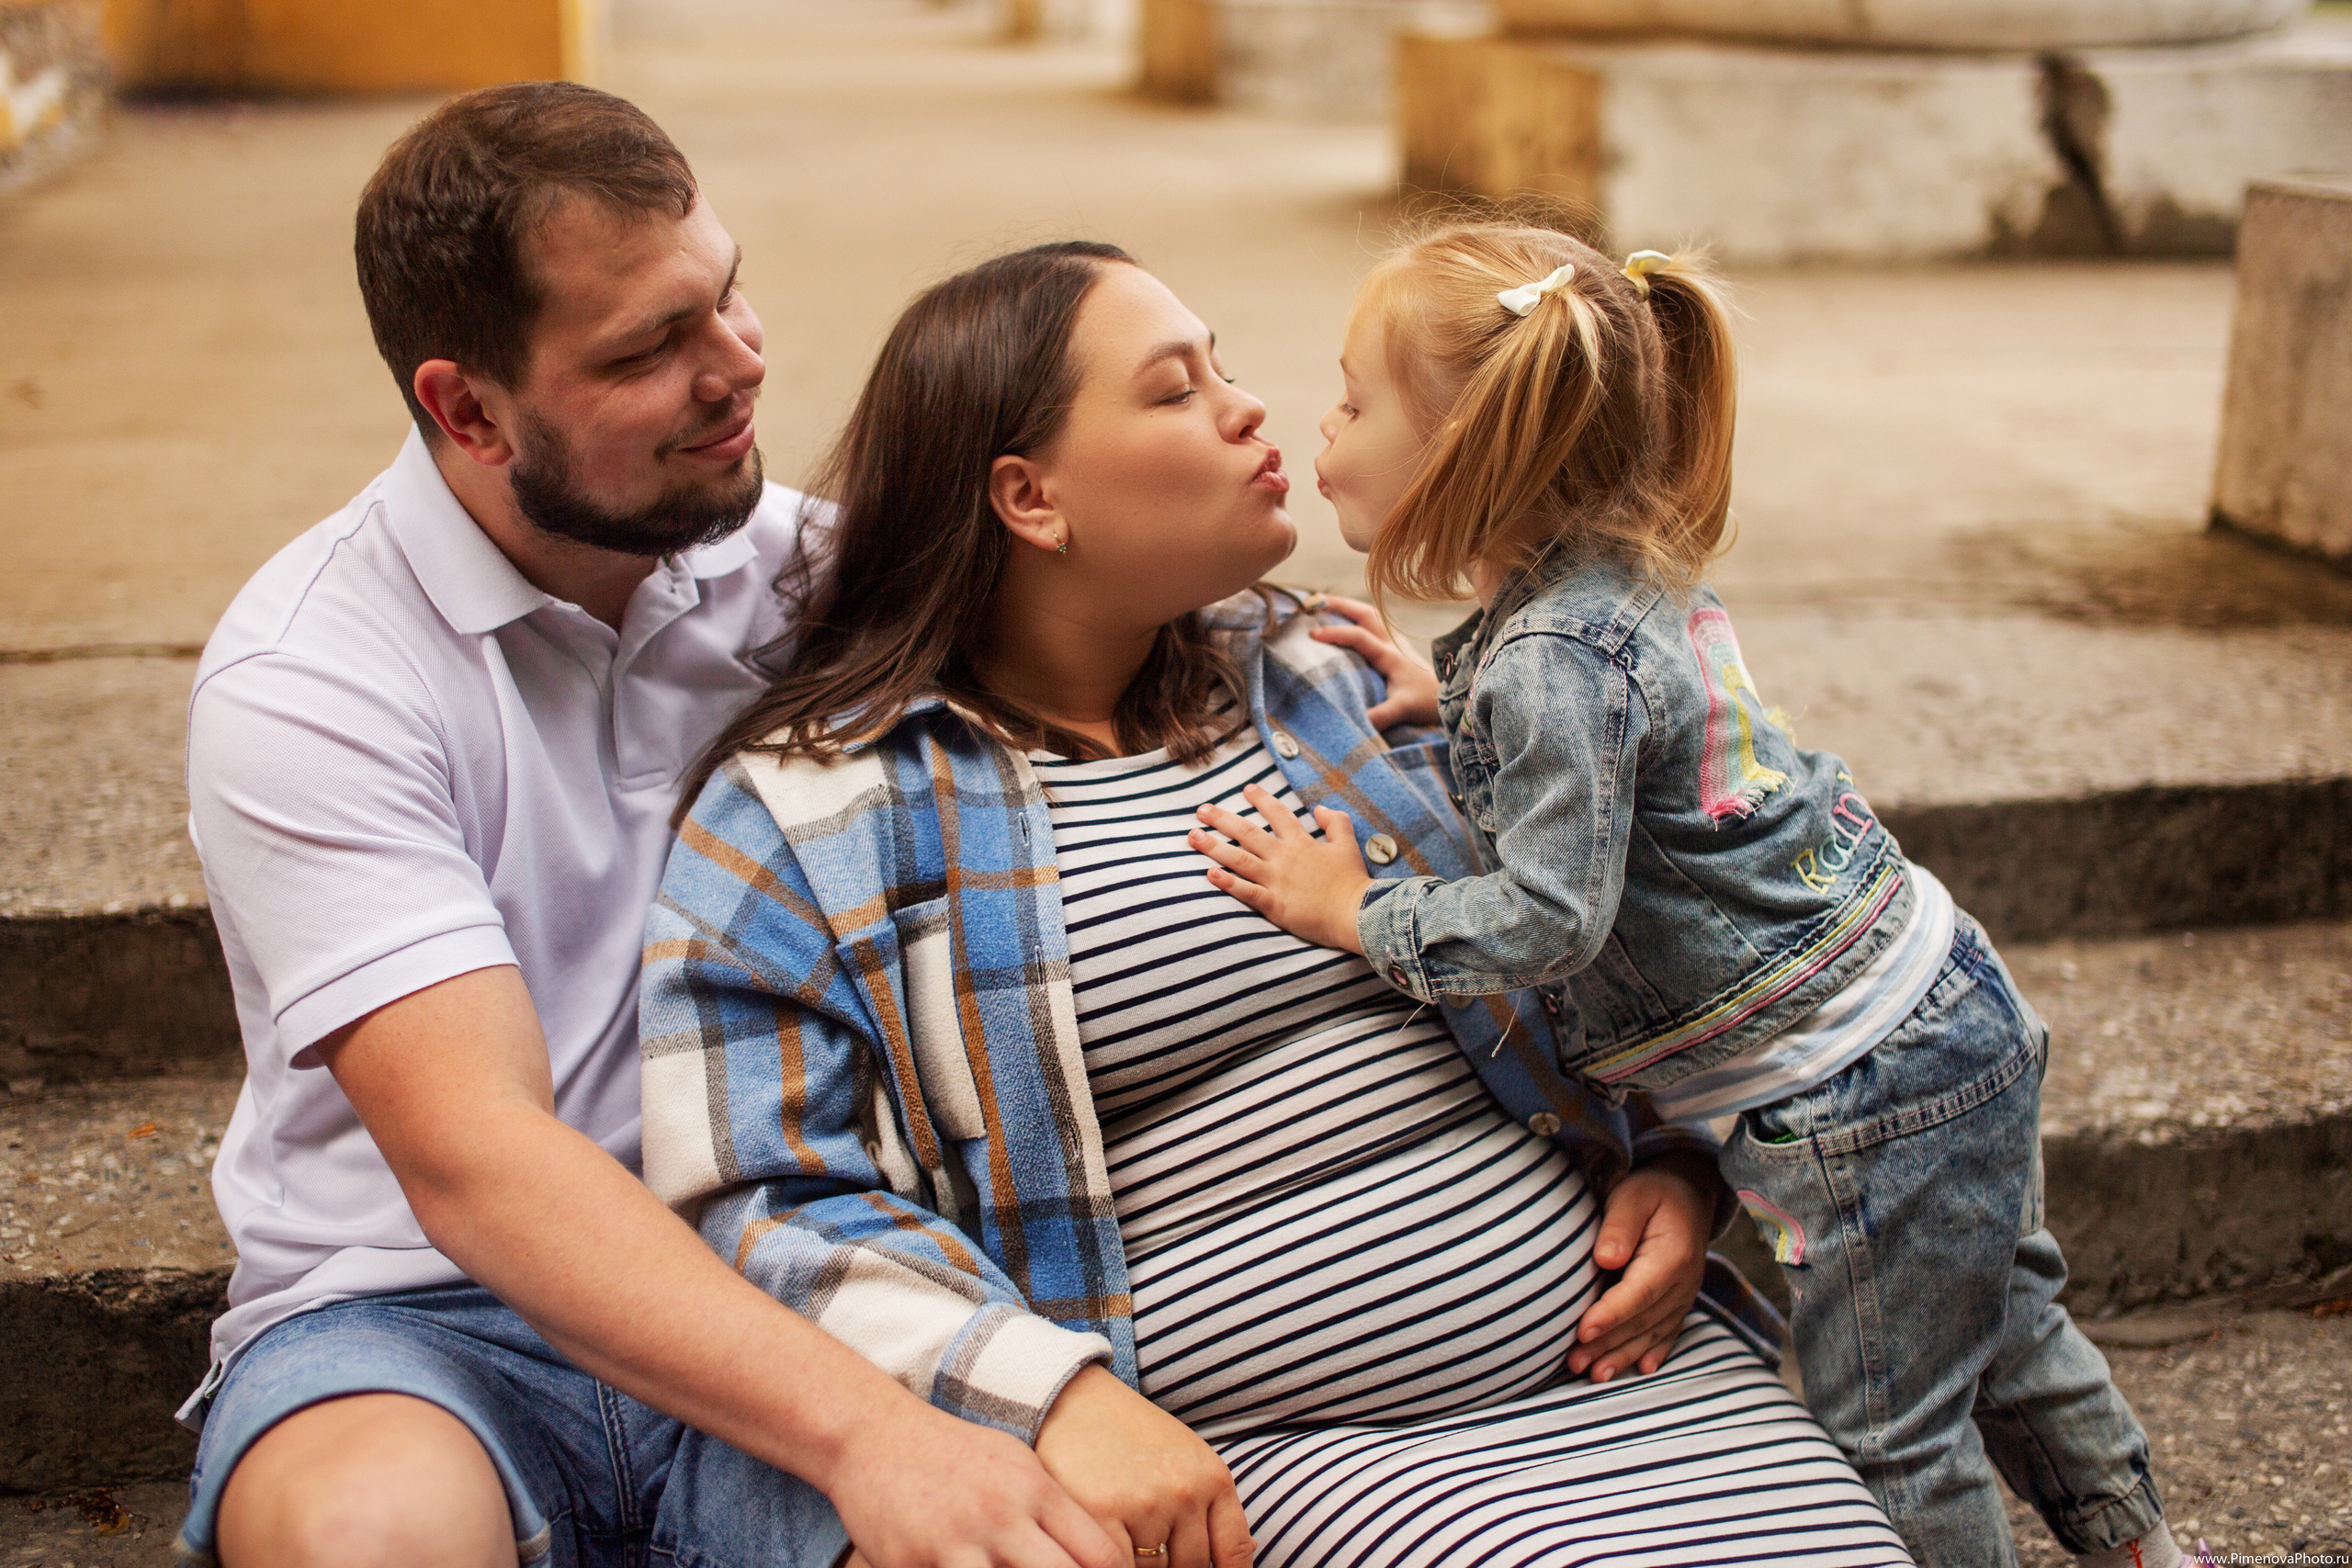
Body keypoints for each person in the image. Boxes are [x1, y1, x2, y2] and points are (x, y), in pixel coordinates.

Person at [642, 239, 1915, 1568]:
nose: (1251, 408)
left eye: (1227, 368)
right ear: (1031, 497)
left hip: (1621, 1369)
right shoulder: (812, 813)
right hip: (1282, 1461)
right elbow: (764, 1198)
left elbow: (1646, 913)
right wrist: (1052, 1396)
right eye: (1176, 389)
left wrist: (1679, 1160)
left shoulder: (1332, 671)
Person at [177, 83, 1135, 1568]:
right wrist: (873, 1438)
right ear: (467, 410)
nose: (738, 364)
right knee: (368, 1536)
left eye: (726, 294)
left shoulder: (827, 580)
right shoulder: (313, 676)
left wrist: (1389, 676)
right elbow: (478, 1156)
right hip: (418, 1317)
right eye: (647, 349)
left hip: (803, 1267)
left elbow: (1141, 649)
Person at [1193, 219, 2178, 1568]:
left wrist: (1354, 910)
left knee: (1891, 1436)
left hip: (1854, 1086)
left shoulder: (1549, 663)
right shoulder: (1606, 584)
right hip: (1939, 1004)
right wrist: (1453, 699)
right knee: (2009, 1333)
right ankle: (2143, 1551)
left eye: (1357, 402)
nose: (1324, 422)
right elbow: (1620, 737)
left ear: (1474, 451)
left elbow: (1551, 919)